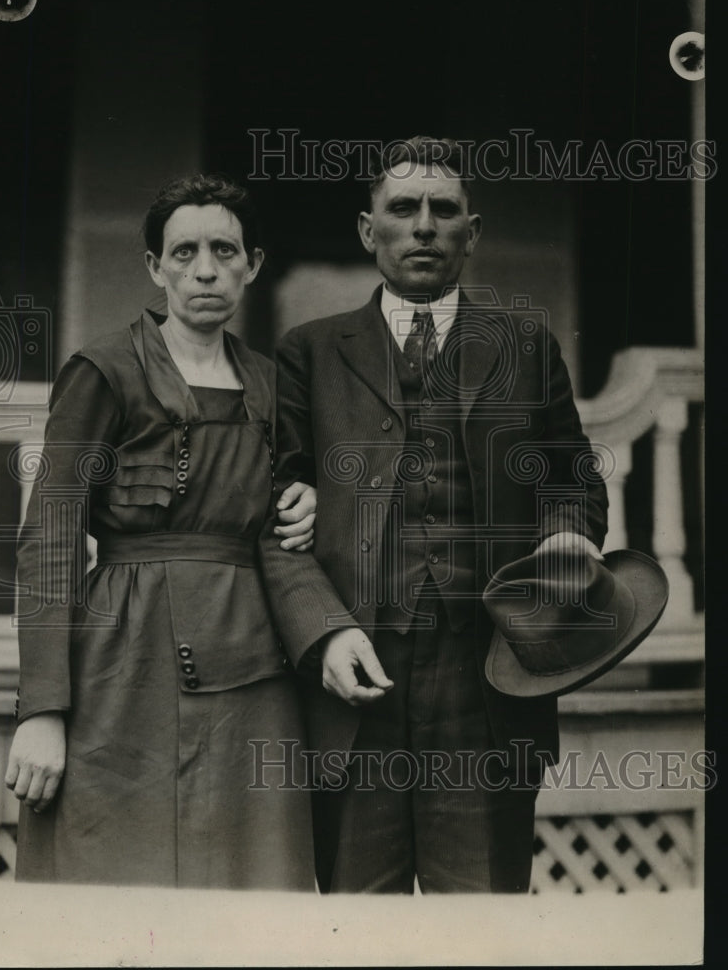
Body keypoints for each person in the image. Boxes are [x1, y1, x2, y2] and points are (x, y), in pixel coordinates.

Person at [260, 136, 608, 893]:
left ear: (471, 233)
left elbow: (573, 479)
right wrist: (324, 632)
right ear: (367, 228)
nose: (423, 225)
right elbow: (274, 523)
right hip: (356, 677)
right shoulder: (310, 353)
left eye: (443, 209)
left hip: (489, 677)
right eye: (403, 208)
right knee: (356, 925)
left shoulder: (525, 345)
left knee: (481, 928)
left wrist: (568, 539)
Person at [5, 173, 318, 889]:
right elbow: (50, 536)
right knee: (112, 864)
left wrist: (315, 499)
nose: (204, 269)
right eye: (183, 253)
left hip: (252, 662)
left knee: (251, 874)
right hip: (124, 655)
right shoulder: (104, 371)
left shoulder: (272, 386)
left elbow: (291, 507)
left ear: (253, 264)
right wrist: (43, 709)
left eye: (223, 250)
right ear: (155, 268)